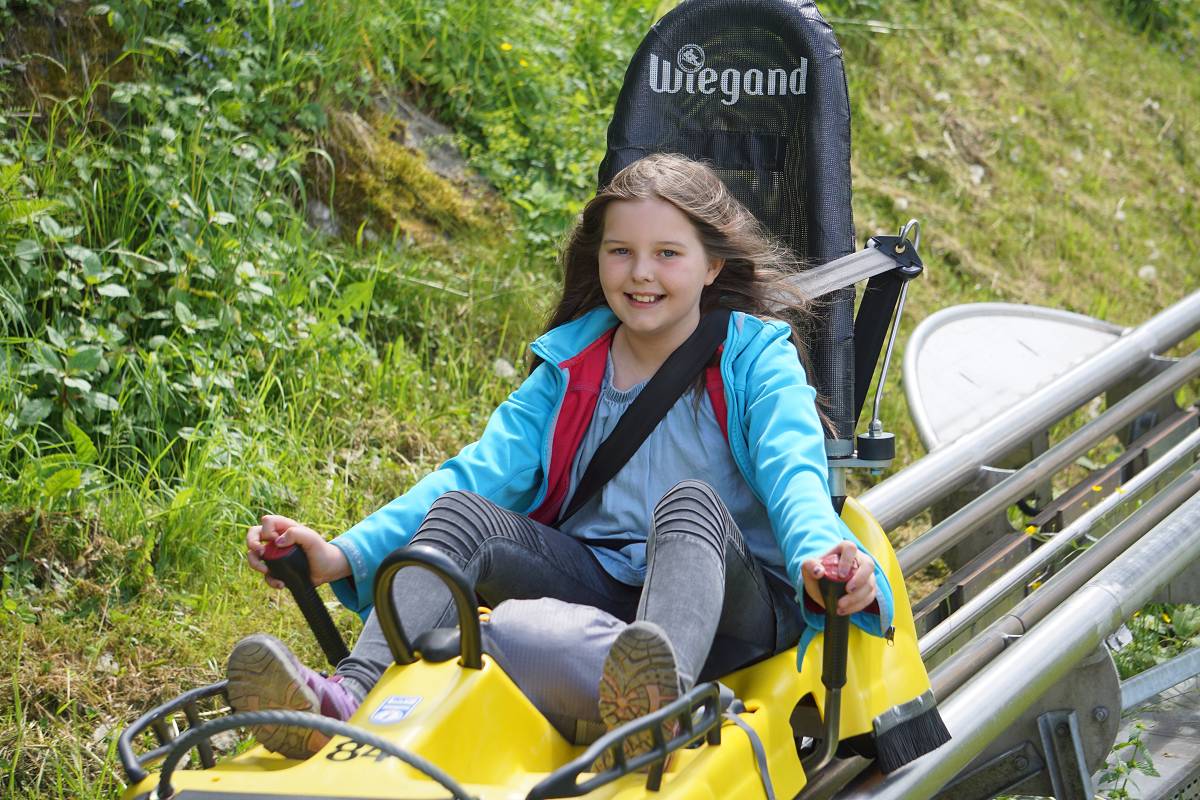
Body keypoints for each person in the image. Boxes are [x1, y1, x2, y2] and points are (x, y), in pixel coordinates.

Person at [226, 153, 894, 762]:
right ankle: (348, 697)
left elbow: (793, 472)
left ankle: (658, 711)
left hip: (727, 601)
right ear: (598, 258)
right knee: (462, 510)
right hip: (601, 586)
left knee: (690, 502)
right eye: (620, 252)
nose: (640, 273)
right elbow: (479, 470)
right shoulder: (571, 365)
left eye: (667, 253)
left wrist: (816, 556)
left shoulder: (755, 358)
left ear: (712, 265)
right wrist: (341, 553)